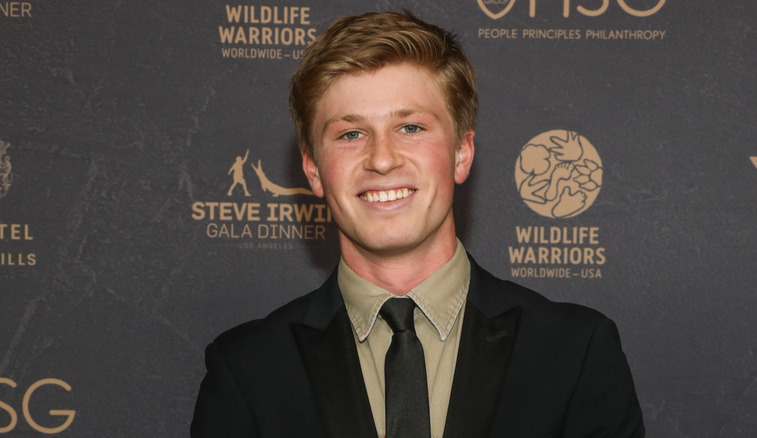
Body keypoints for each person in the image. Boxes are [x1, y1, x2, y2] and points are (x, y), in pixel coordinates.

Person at [191, 11, 644, 438]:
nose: (382, 158)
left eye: (410, 127)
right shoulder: (248, 370)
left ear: (461, 154)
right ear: (313, 171)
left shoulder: (575, 352)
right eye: (350, 134)